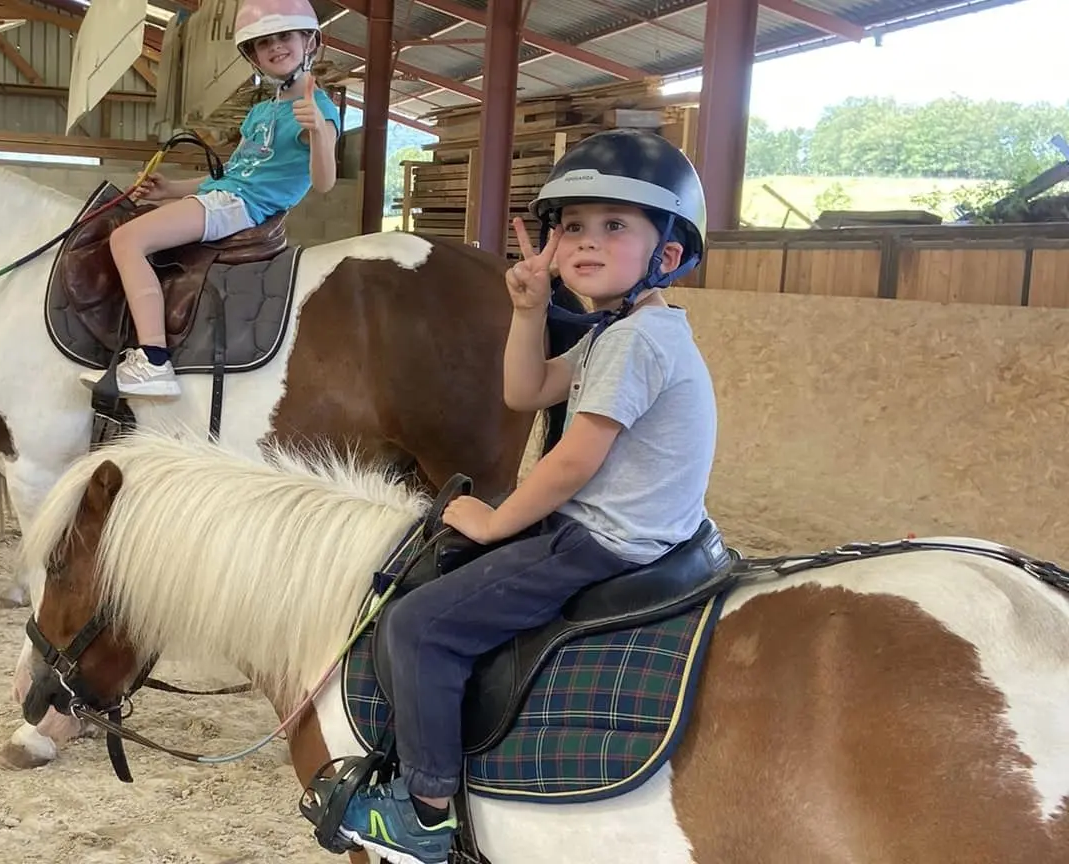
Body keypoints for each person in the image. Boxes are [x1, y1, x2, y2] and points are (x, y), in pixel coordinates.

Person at [330, 129, 719, 864]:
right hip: (638, 524)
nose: (587, 242)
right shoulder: (620, 331)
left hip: (606, 538)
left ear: (666, 255)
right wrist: (529, 310)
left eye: (614, 226)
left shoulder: (637, 344)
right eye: (573, 226)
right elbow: (524, 390)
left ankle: (423, 811)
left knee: (418, 627)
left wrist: (495, 520)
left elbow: (572, 460)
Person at [77, 0, 341, 399]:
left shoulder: (316, 109)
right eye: (263, 42)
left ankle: (153, 360)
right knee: (129, 222)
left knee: (127, 240)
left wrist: (320, 133)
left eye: (284, 36)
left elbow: (324, 182)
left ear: (309, 41)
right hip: (225, 196)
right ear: (253, 55)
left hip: (242, 207)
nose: (275, 47)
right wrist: (172, 190)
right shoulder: (261, 112)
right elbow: (229, 176)